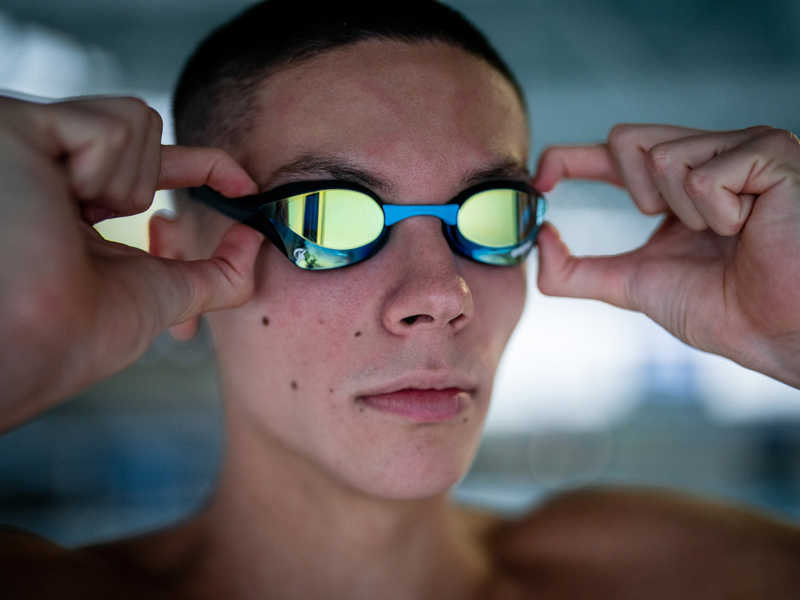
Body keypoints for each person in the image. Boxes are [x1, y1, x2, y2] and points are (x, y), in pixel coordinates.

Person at [1, 0, 799, 597]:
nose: (439, 295)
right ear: (179, 265)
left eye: (489, 214)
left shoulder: (672, 577)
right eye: (328, 216)